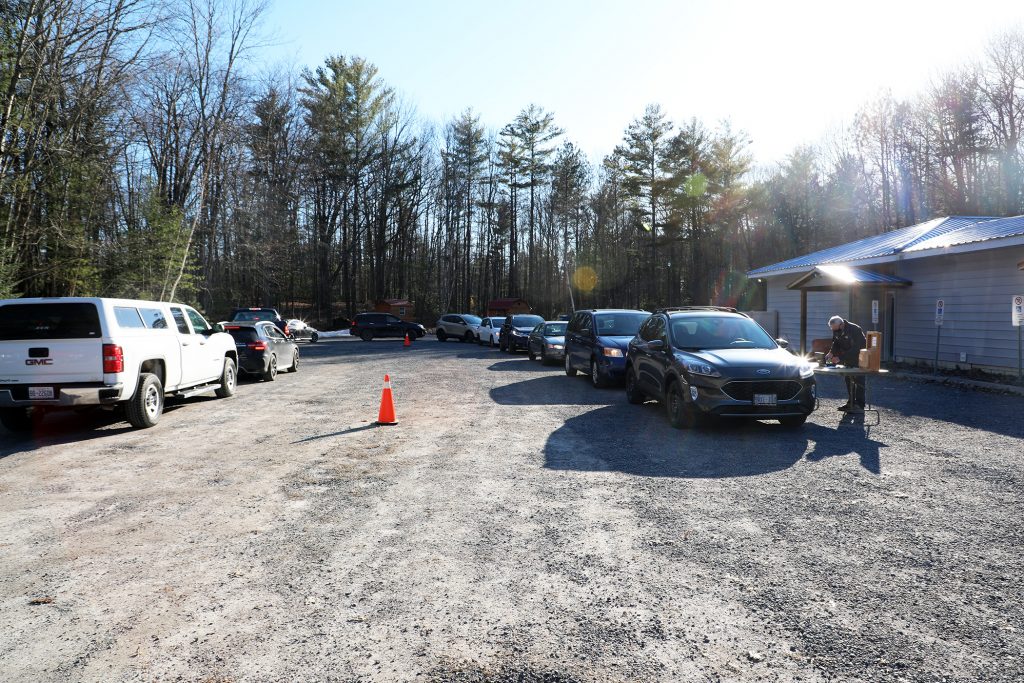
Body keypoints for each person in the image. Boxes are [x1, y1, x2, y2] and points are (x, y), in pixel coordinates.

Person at [824, 315, 867, 413]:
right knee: (848, 380)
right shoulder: (836, 329)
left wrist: (840, 358)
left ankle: (860, 405)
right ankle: (851, 403)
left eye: (836, 329)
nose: (835, 331)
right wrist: (831, 352)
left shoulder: (855, 329)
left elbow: (856, 348)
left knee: (859, 382)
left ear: (842, 325)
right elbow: (835, 342)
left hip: (860, 358)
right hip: (848, 359)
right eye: (833, 330)